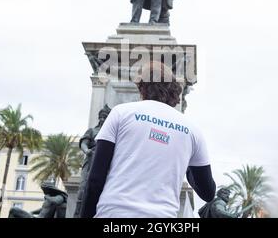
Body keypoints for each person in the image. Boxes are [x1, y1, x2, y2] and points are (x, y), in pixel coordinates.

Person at [80, 61, 216, 217]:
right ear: (174, 90)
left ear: (141, 87)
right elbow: (208, 193)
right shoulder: (192, 131)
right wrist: (185, 160)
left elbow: (95, 179)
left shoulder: (120, 113)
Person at [73, 105, 111, 217]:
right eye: (101, 117)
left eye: (105, 117)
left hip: (104, 162)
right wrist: (87, 151)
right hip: (90, 160)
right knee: (83, 190)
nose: (102, 119)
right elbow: (84, 143)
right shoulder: (92, 130)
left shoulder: (111, 131)